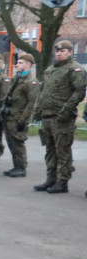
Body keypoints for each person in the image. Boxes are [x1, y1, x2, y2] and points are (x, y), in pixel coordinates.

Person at [31, 39, 86, 193]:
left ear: (70, 52)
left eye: (62, 51)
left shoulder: (75, 70)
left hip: (62, 117)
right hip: (47, 116)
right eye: (57, 51)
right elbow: (42, 92)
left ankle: (63, 181)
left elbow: (79, 92)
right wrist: (37, 111)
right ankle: (51, 178)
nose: (59, 54)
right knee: (50, 149)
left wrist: (66, 110)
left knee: (62, 150)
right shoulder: (50, 70)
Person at [0, 53, 39, 178]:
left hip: (18, 118)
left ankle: (21, 167)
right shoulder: (16, 78)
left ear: (28, 65)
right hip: (10, 116)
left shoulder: (30, 82)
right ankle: (16, 166)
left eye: (21, 63)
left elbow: (31, 103)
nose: (17, 65)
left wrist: (24, 120)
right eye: (18, 62)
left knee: (18, 143)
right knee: (11, 143)